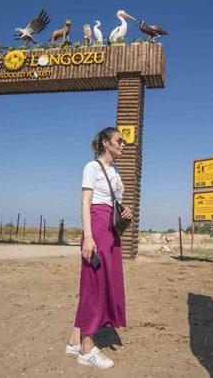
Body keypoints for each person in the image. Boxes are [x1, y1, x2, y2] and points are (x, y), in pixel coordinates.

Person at [65, 127, 133, 369]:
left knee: (99, 282)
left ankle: (74, 340)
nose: (123, 144)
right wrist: (89, 238)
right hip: (96, 225)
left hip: (110, 229)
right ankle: (86, 349)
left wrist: (126, 210)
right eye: (119, 140)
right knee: (94, 283)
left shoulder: (114, 171)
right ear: (106, 143)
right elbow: (85, 203)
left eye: (124, 141)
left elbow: (112, 202)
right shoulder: (91, 167)